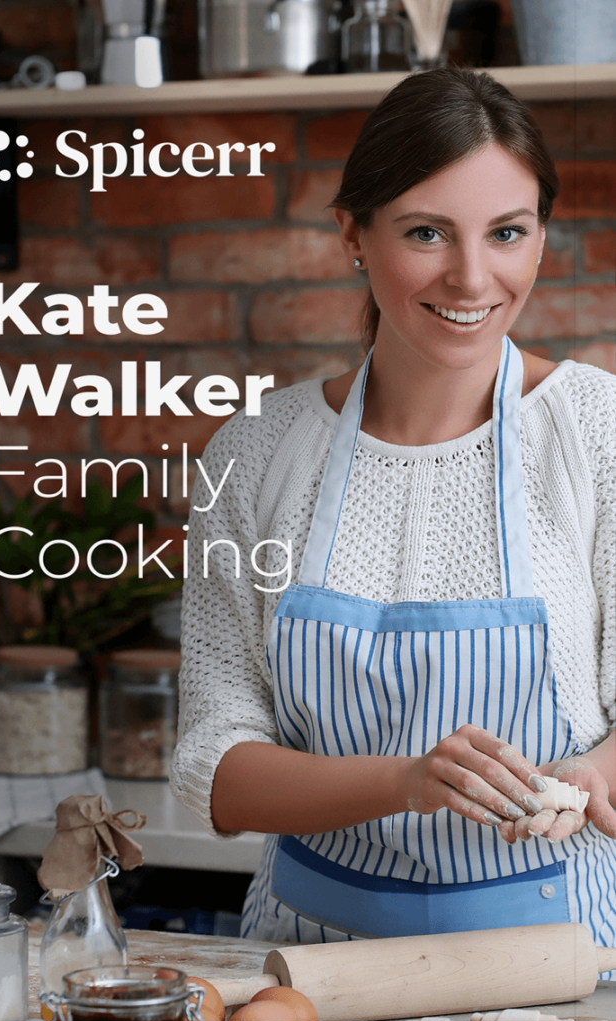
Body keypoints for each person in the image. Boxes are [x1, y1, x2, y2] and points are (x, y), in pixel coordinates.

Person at [170, 68, 616, 958]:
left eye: (505, 234)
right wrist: (405, 781)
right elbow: (214, 766)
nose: (471, 275)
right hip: (306, 961)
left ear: (538, 242)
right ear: (353, 236)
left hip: (557, 956)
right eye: (425, 232)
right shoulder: (255, 451)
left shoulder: (595, 433)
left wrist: (591, 774)